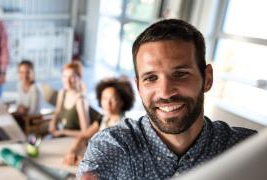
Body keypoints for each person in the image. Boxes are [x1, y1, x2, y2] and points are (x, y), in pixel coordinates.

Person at [78, 19, 257, 179]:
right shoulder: (113, 145)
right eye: (151, 78)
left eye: (180, 74)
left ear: (207, 79)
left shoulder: (247, 150)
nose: (165, 92)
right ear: (139, 86)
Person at [63, 77, 134, 166]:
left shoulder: (125, 126)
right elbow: (83, 136)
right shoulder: (102, 118)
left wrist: (86, 162)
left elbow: (117, 159)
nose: (108, 103)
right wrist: (72, 151)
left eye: (114, 98)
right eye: (104, 98)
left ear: (122, 102)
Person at [48, 61, 90, 137]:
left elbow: (85, 132)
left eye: (72, 77)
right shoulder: (62, 92)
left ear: (79, 78)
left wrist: (63, 132)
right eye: (64, 76)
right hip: (61, 134)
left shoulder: (81, 100)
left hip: (75, 140)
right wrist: (53, 122)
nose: (67, 80)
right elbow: (57, 112)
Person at [11, 60, 42, 131]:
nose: (24, 75)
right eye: (21, 72)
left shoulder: (35, 88)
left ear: (32, 73)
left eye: (27, 72)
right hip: (21, 116)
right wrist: (20, 108)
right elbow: (18, 103)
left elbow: (34, 111)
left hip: (32, 120)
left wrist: (23, 111)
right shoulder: (19, 85)